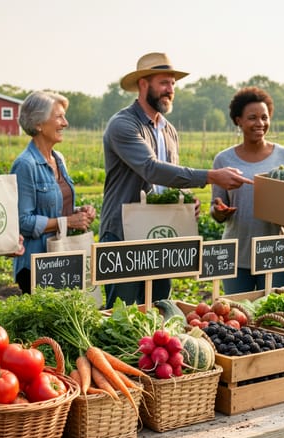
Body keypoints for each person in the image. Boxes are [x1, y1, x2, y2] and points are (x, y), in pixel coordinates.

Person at [100, 52, 252, 308]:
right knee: (122, 311)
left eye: (172, 84)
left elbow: (169, 180)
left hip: (159, 234)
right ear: (143, 84)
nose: (170, 90)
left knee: (160, 306)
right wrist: (211, 176)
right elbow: (151, 169)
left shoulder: (168, 130)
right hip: (123, 233)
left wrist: (186, 202)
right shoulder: (123, 124)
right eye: (163, 83)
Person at [211, 87, 284, 293]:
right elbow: (216, 208)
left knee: (274, 315)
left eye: (264, 117)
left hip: (276, 252)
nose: (260, 123)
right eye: (252, 118)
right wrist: (219, 211)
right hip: (237, 254)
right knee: (239, 316)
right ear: (238, 120)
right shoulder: (223, 159)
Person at [11, 90, 95, 294]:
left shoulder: (59, 159)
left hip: (61, 259)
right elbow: (22, 221)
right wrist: (66, 222)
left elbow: (54, 208)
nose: (65, 123)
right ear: (38, 123)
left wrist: (77, 212)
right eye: (58, 116)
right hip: (37, 264)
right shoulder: (25, 165)